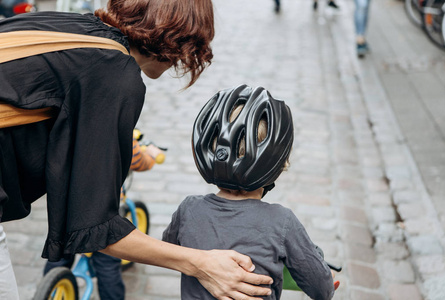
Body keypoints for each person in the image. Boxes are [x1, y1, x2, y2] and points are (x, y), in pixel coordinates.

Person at [0, 0, 274, 299]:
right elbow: (94, 226)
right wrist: (201, 263)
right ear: (179, 37)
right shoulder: (113, 72)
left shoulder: (69, 25)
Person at [162, 84, 336, 299]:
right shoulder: (282, 222)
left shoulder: (188, 208)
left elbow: (169, 250)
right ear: (277, 163)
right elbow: (323, 290)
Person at [43, 136, 163, 300]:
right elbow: (139, 161)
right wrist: (152, 154)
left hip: (69, 206)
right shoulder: (119, 130)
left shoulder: (70, 126)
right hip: (103, 211)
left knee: (59, 253)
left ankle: (49, 289)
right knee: (108, 264)